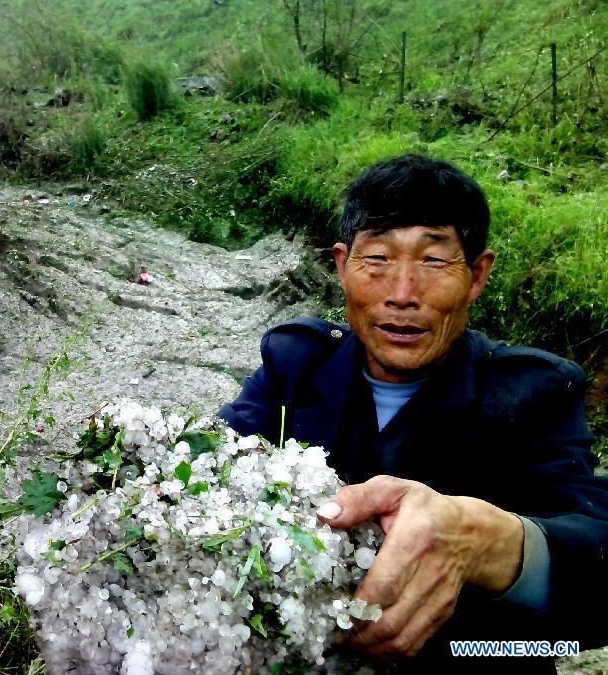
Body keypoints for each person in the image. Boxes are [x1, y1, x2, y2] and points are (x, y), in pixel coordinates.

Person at [219, 154, 608, 673]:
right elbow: (216, 466)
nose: (401, 295)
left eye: (433, 261)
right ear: (341, 265)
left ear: (476, 276)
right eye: (376, 259)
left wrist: (490, 544)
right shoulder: (294, 365)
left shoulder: (533, 393)